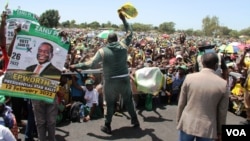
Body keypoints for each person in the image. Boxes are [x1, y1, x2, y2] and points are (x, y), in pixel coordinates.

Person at [69, 12, 139, 134]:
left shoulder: (102, 51)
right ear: (117, 39)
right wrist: (124, 20)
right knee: (128, 101)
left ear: (107, 40)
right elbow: (130, 32)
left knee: (110, 104)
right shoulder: (123, 45)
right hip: (124, 79)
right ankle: (135, 120)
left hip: (110, 81)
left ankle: (107, 125)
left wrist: (75, 65)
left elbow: (90, 64)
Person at [177, 52, 229, 141]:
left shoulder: (189, 78)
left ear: (201, 62)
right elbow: (222, 112)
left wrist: (179, 120)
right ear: (216, 65)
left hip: (187, 122)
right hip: (207, 127)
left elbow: (181, 102)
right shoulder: (223, 85)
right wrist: (220, 131)